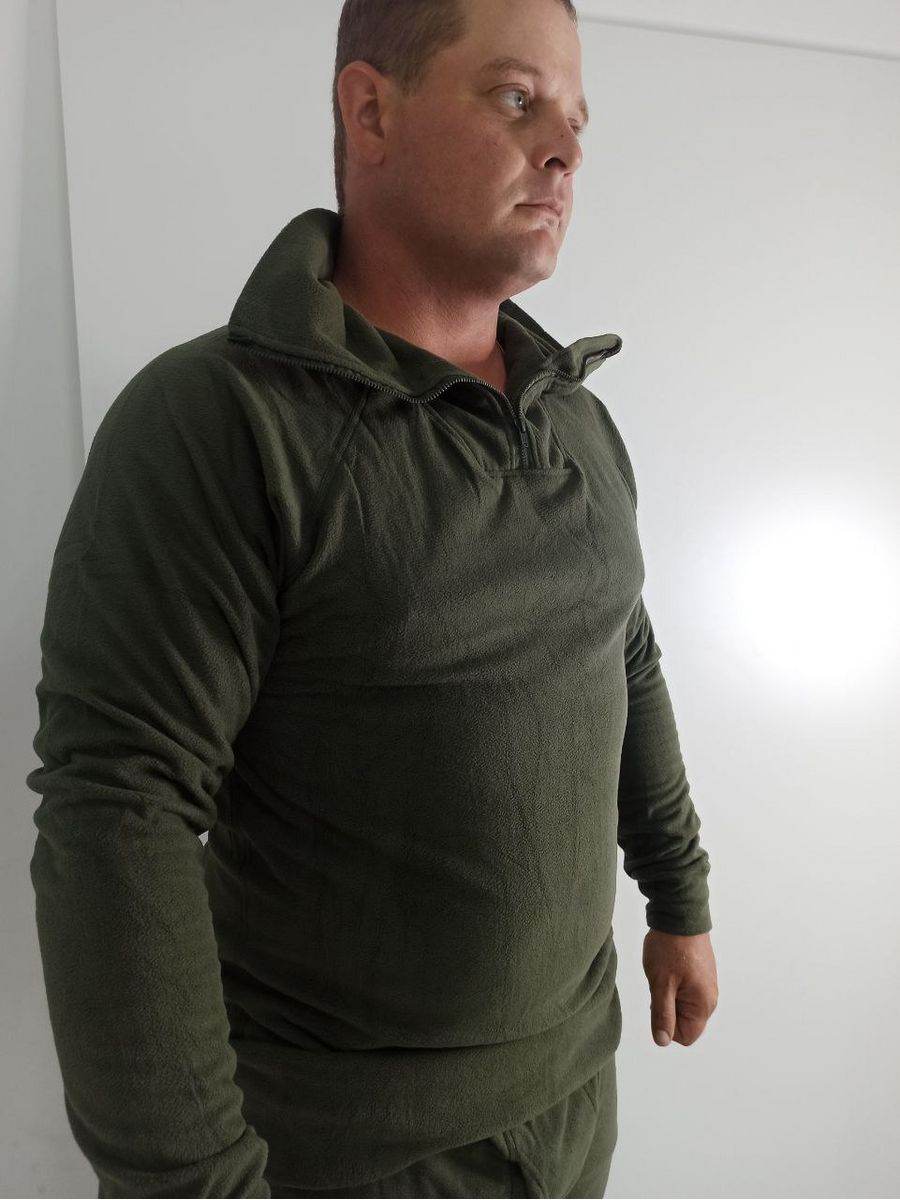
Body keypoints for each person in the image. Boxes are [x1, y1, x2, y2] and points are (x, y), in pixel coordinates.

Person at [26, 0, 719, 1195]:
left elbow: (625, 654)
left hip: (573, 1106)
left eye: (576, 117)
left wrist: (679, 896)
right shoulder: (219, 423)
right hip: (347, 1153)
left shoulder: (580, 425)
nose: (565, 149)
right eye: (517, 99)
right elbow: (118, 809)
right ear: (370, 110)